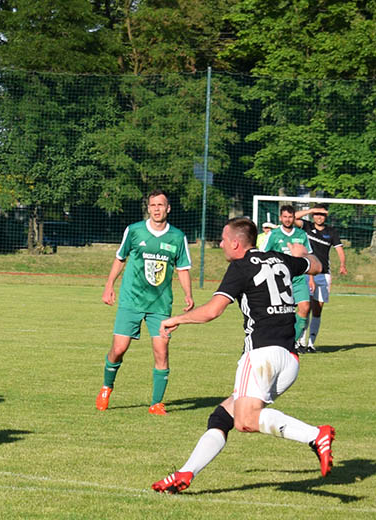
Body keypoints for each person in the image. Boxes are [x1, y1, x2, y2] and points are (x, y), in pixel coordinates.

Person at [152, 217, 334, 494]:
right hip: (289, 359)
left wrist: (176, 319)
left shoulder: (240, 267)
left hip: (261, 356)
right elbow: (319, 264)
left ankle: (315, 435)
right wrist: (302, 255)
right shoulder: (280, 258)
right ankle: (185, 473)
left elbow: (213, 310)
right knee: (222, 417)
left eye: (224, 239)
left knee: (246, 421)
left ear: (236, 243)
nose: (221, 244)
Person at [96, 189, 194, 415]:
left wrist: (188, 294)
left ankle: (156, 403)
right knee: (119, 349)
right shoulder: (134, 231)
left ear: (168, 208)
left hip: (160, 305)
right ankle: (106, 386)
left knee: (162, 350)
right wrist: (109, 285)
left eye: (161, 205)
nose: (157, 209)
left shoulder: (177, 237)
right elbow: (120, 259)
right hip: (131, 300)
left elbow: (183, 268)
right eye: (153, 205)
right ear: (148, 208)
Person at [294, 204, 347, 352]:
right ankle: (300, 342)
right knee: (305, 307)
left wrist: (343, 264)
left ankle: (311, 344)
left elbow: (339, 249)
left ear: (326, 217)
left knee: (317, 310)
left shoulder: (331, 232)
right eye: (316, 214)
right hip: (306, 272)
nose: (319, 217)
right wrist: (311, 210)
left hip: (323, 275)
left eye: (322, 215)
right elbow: (293, 218)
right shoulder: (307, 226)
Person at [259, 205, 313, 349]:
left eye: (290, 217)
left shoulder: (301, 235)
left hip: (299, 279)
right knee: (282, 314)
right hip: (280, 281)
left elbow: (309, 256)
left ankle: (290, 342)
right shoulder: (274, 234)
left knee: (305, 308)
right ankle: (276, 341)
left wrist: (312, 278)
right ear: (280, 218)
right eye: (285, 217)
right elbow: (262, 254)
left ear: (294, 218)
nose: (288, 220)